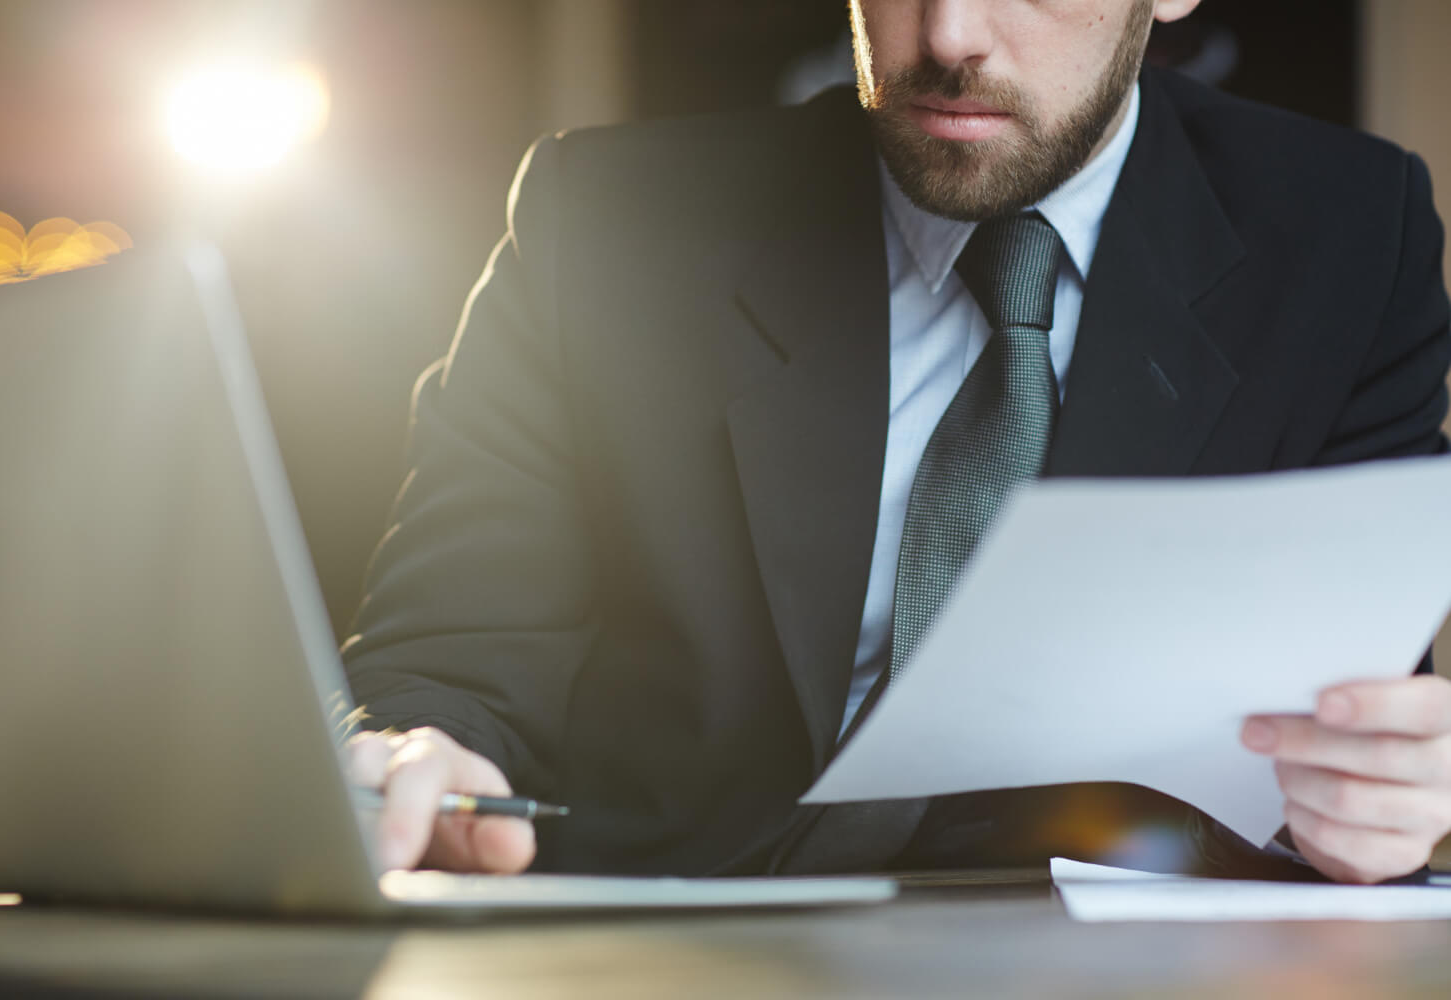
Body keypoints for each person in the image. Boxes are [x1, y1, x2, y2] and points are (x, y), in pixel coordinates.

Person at [341, 0, 1451, 885]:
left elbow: (1358, 732)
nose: (951, 34)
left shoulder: (1352, 238)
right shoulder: (606, 222)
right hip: (669, 933)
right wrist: (415, 755)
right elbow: (447, 658)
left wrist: (1370, 807)